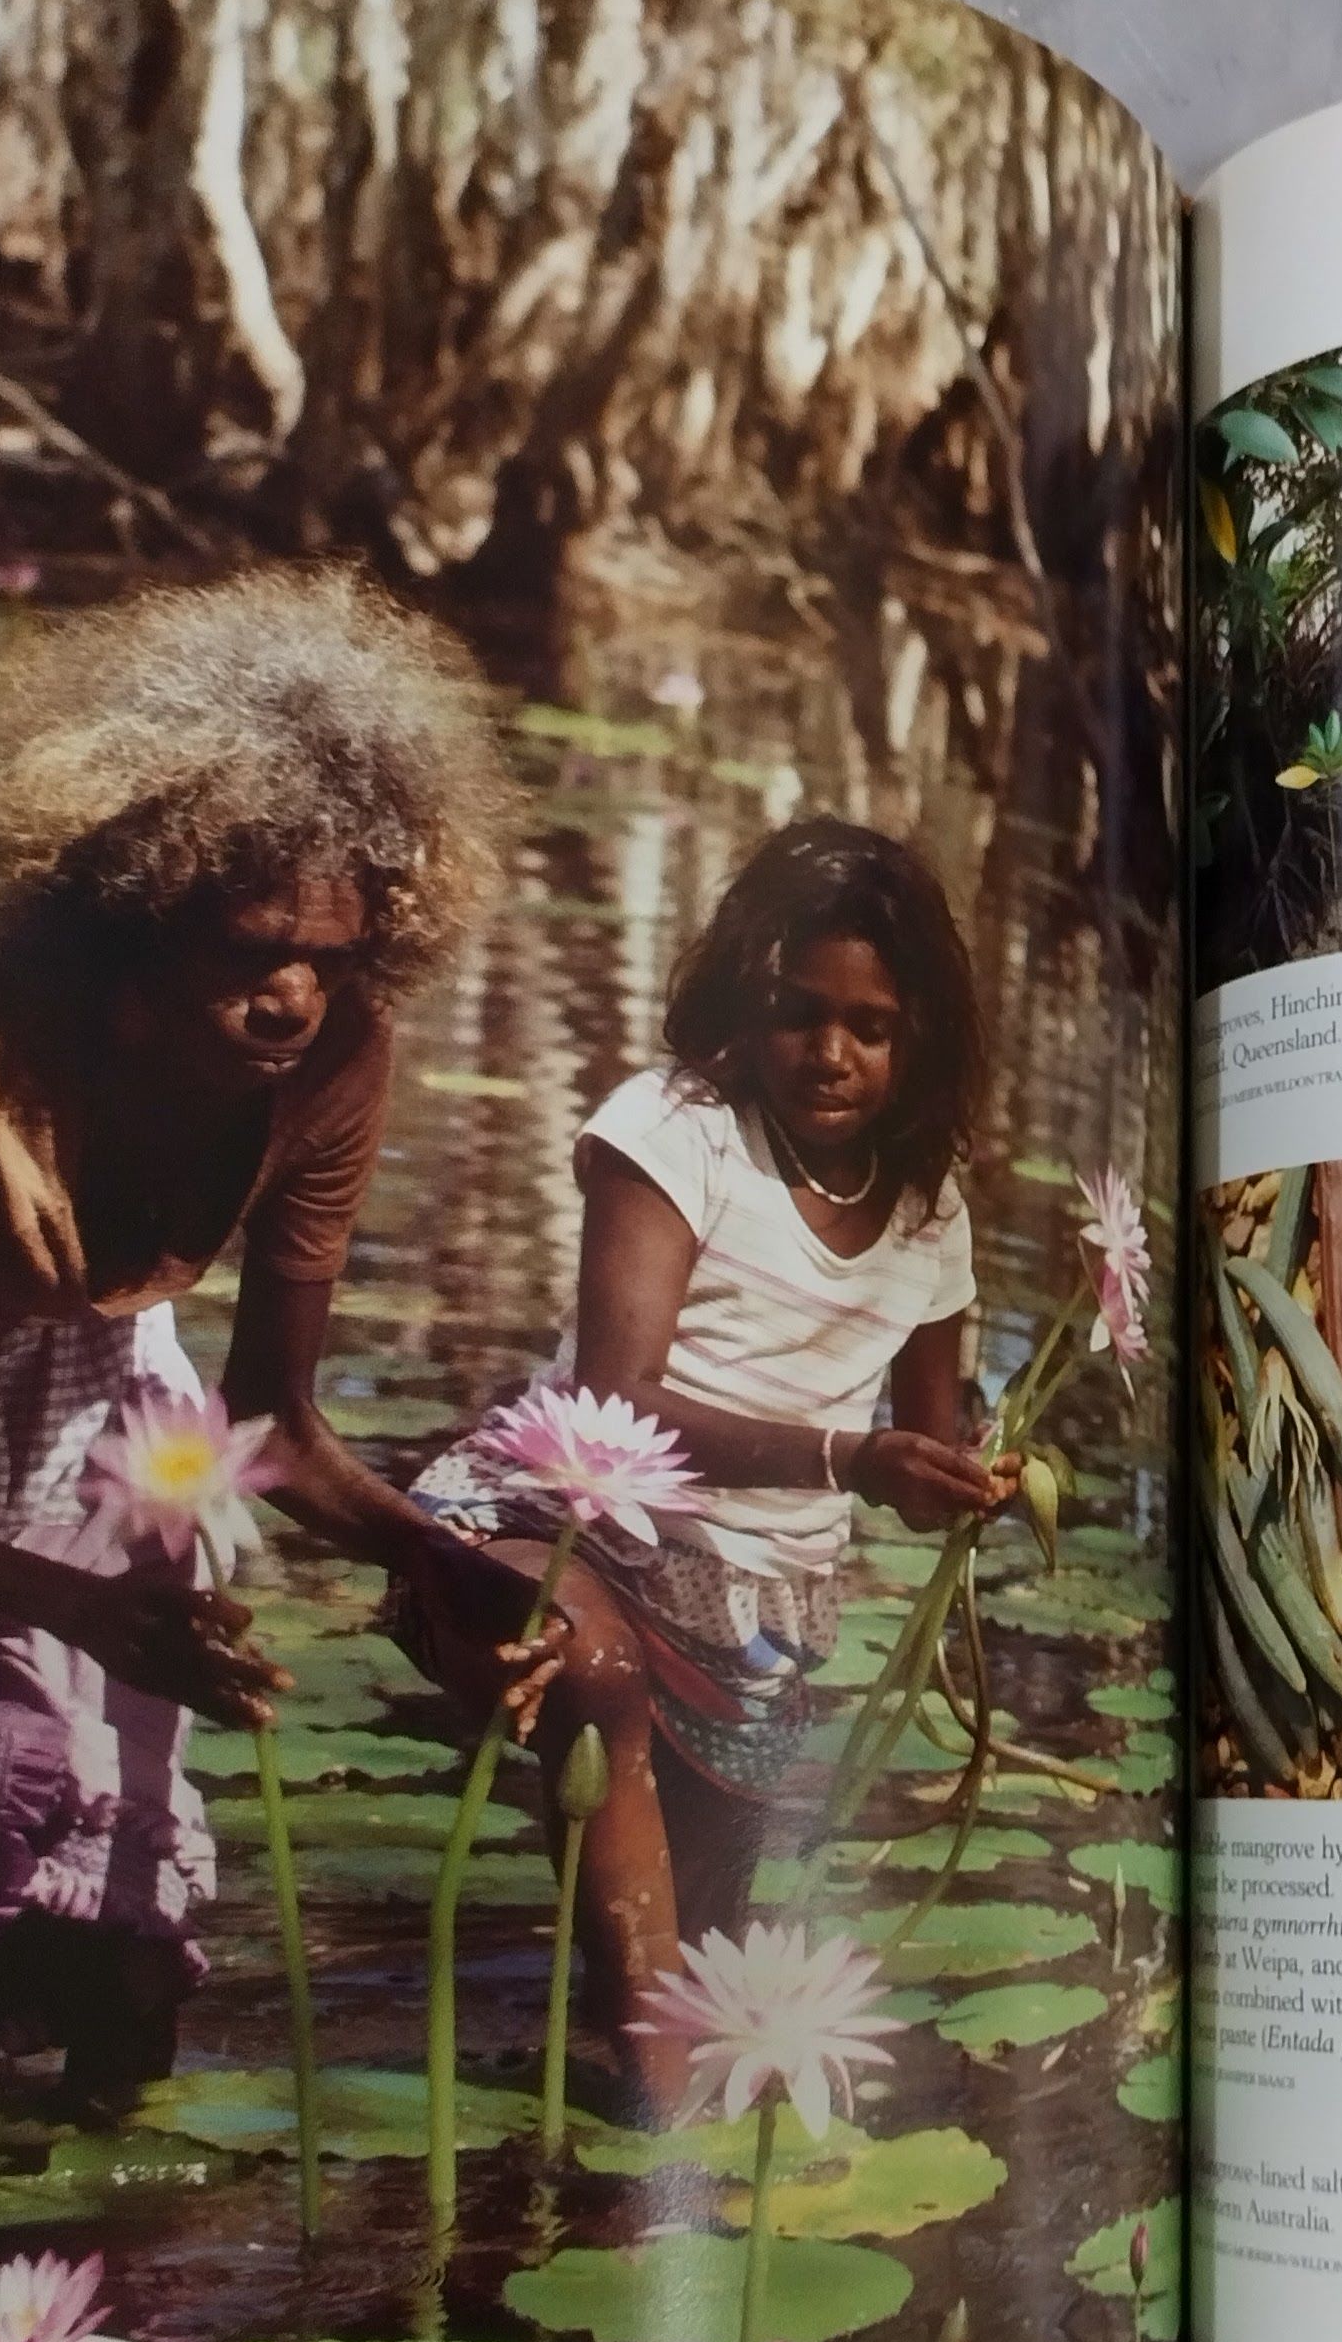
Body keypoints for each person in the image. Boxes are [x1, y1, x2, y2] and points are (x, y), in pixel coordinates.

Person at [0, 566, 543, 2114]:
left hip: (84, 1358)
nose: (289, 994)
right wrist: (70, 1604)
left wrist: (432, 1553)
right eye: (246, 950)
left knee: (111, 1928)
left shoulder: (335, 1055)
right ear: (126, 935)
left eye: (329, 957)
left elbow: (274, 1419)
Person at [406, 821, 1010, 2076]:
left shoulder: (931, 1202)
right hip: (572, 1526)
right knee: (601, 1703)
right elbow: (618, 1395)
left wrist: (967, 1467)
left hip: (755, 1613)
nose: (829, 1053)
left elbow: (926, 1444)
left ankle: (592, 2173)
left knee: (688, 1960)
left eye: (871, 1026)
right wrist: (854, 1456)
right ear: (751, 996)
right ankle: (652, 2138)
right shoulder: (674, 1126)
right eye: (800, 1013)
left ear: (920, 1040)